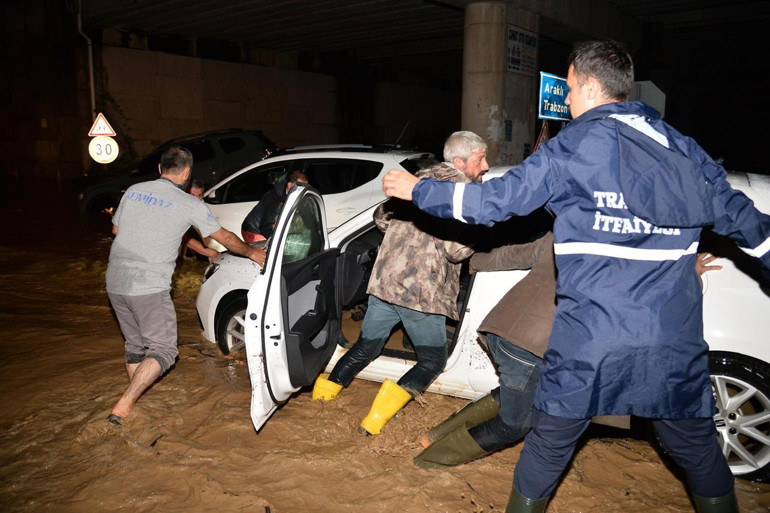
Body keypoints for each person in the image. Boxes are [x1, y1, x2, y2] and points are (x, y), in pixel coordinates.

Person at [383, 40, 770, 513]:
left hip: (590, 343)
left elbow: (494, 203)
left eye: (568, 88)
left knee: (546, 450)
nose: (566, 99)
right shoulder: (685, 150)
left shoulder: (573, 147)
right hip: (670, 345)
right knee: (699, 451)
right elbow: (754, 230)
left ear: (588, 85)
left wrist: (419, 190)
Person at [310, 131, 489, 436]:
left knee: (366, 347)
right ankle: (373, 423)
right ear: (460, 161)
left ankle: (320, 402)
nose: (485, 166)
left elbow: (381, 218)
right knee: (432, 361)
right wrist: (483, 234)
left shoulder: (418, 178)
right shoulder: (461, 193)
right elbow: (454, 250)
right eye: (480, 159)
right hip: (420, 294)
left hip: (385, 284)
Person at [105, 146, 266, 426]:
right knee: (164, 352)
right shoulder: (189, 204)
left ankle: (138, 401)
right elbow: (224, 237)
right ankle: (124, 405)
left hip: (115, 281)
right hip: (148, 286)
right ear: (188, 172)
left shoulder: (133, 190)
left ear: (160, 168)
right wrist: (253, 253)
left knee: (135, 345)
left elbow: (116, 229)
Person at [241, 170, 309, 243]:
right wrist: (278, 241)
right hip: (253, 231)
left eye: (305, 187)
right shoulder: (273, 197)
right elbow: (265, 227)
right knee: (268, 253)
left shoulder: (294, 195)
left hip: (267, 228)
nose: (303, 190)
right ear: (289, 185)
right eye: (300, 187)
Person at [182, 178, 219, 261]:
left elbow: (213, 230)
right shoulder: (177, 205)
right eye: (192, 196)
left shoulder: (202, 206)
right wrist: (206, 251)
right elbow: (182, 236)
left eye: (199, 196)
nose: (196, 200)